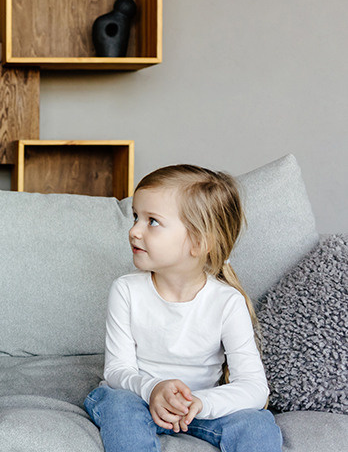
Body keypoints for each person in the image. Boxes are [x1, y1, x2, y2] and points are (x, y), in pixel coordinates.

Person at [84, 165, 282, 452]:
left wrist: (202, 403)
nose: (134, 231)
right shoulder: (126, 290)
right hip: (138, 397)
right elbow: (117, 370)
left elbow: (253, 387)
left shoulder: (227, 302)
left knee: (257, 423)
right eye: (136, 217)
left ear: (199, 243)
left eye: (152, 221)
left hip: (197, 408)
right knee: (118, 405)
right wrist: (153, 390)